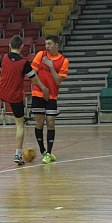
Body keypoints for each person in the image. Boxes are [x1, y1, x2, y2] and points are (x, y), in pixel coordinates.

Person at [0, 34, 36, 165]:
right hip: (15, 96)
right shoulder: (24, 62)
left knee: (18, 117)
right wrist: (43, 87)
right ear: (22, 47)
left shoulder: (3, 58)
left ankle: (22, 117)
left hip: (2, 92)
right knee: (20, 124)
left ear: (9, 46)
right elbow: (34, 79)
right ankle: (18, 154)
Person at [29, 34, 69, 163]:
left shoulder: (63, 61)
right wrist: (42, 87)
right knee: (39, 122)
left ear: (56, 45)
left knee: (51, 122)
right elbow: (33, 73)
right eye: (46, 43)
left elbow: (58, 81)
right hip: (38, 93)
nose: (47, 46)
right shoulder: (41, 55)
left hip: (52, 96)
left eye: (49, 44)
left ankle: (49, 153)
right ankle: (43, 150)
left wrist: (51, 66)